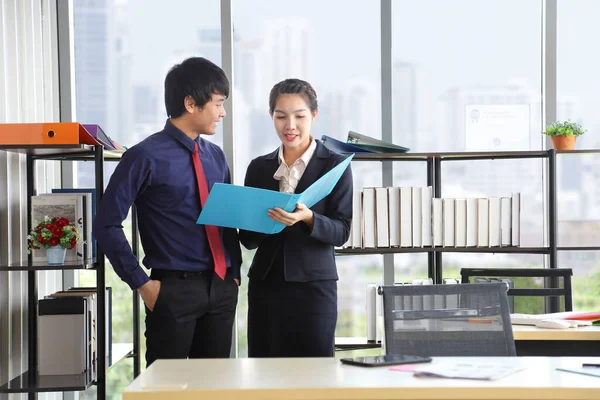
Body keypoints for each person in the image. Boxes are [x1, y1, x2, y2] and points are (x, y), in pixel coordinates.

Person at [93, 57, 242, 367]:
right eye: (218, 103)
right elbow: (106, 225)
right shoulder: (143, 157)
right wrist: (142, 285)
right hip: (172, 292)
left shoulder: (216, 157)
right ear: (191, 103)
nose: (223, 112)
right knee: (166, 390)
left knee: (215, 390)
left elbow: (225, 219)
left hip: (222, 289)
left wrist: (235, 272)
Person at [239, 78, 353, 357]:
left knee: (315, 372)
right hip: (267, 286)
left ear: (314, 115)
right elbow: (247, 239)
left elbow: (342, 231)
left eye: (299, 116)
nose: (290, 125)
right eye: (281, 116)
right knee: (265, 370)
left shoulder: (335, 165)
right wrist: (269, 221)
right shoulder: (259, 167)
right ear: (271, 117)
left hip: (315, 287)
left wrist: (309, 218)